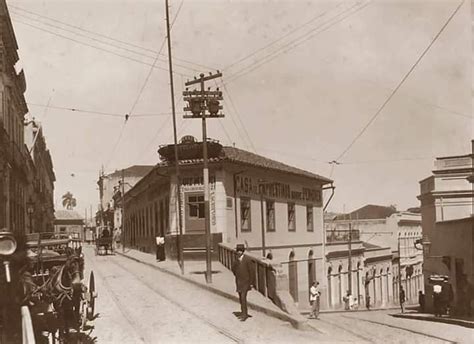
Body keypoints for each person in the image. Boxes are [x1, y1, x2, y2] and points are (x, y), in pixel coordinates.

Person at [231, 244, 255, 321]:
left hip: (246, 282)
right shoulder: (236, 260)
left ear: (243, 251)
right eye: (238, 251)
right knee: (241, 298)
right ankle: (243, 312)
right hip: (238, 282)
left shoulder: (247, 260)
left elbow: (252, 272)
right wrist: (237, 275)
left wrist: (251, 283)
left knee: (243, 297)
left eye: (240, 251)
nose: (239, 252)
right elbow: (233, 269)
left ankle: (244, 315)